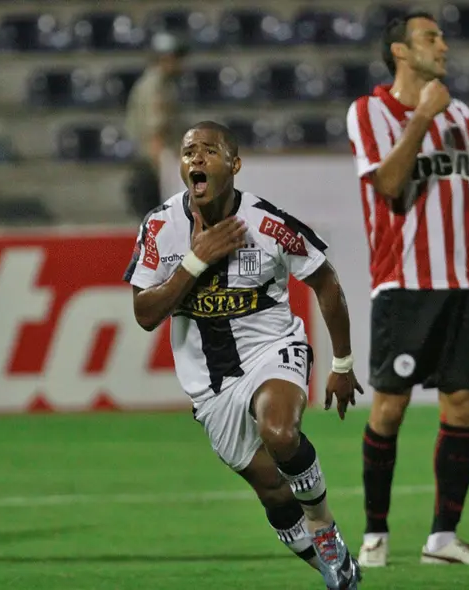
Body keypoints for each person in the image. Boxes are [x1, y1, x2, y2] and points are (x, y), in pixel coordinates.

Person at [124, 120, 364, 589]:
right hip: (209, 384)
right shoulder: (159, 226)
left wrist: (342, 364)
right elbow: (144, 313)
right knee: (273, 491)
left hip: (272, 350)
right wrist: (196, 261)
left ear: (234, 164)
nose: (196, 157)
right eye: (188, 150)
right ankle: (335, 572)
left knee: (279, 431)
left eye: (209, 150)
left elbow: (325, 280)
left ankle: (324, 525)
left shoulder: (267, 223)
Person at [344, 12, 469, 567]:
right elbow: (387, 184)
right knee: (389, 408)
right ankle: (375, 536)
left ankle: (442, 538)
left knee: (462, 404)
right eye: (431, 37)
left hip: (462, 281)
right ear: (401, 51)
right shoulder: (369, 112)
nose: (443, 45)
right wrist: (419, 120)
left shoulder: (459, 113)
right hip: (403, 282)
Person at [123, 31, 189, 219]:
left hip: (155, 168)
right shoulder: (155, 87)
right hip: (153, 171)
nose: (181, 64)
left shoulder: (164, 85)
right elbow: (155, 137)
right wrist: (167, 178)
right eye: (177, 58)